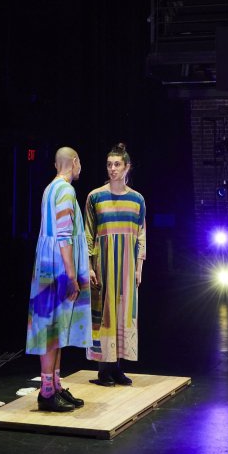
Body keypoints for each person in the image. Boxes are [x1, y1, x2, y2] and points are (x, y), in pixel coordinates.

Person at [26, 146, 92, 412]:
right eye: (79, 164)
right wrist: (71, 275)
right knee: (52, 328)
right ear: (74, 162)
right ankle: (47, 391)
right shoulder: (65, 190)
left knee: (57, 325)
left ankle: (55, 384)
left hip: (50, 260)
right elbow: (64, 236)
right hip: (56, 265)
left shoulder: (50, 188)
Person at [85, 142, 146, 386]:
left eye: (117, 164)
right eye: (109, 165)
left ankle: (117, 367)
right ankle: (103, 369)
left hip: (127, 267)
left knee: (123, 313)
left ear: (127, 167)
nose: (113, 169)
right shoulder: (95, 196)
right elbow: (88, 234)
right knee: (104, 315)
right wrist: (88, 266)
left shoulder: (137, 199)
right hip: (103, 265)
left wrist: (139, 267)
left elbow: (141, 234)